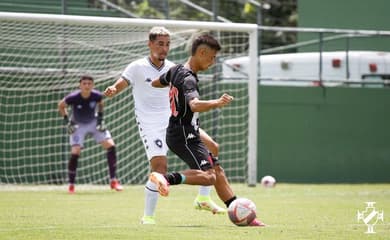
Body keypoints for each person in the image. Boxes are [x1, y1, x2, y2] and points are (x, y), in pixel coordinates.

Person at [103, 27, 226, 225]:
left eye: (167, 44)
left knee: (212, 146)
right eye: (160, 44)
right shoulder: (137, 67)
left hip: (176, 123)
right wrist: (113, 89)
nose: (164, 48)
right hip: (150, 124)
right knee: (160, 168)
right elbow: (122, 83)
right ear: (150, 44)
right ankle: (148, 217)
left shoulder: (174, 68)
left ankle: (203, 199)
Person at [150, 34, 265, 226]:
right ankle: (166, 178)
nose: (213, 62)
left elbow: (156, 82)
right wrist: (217, 102)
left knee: (215, 162)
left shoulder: (175, 69)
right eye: (212, 57)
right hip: (184, 133)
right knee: (209, 176)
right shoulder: (188, 79)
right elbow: (194, 105)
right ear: (201, 52)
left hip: (186, 129)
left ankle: (240, 212)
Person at [58, 75, 123, 194]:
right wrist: (68, 122)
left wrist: (100, 119)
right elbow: (61, 106)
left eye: (89, 83)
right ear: (80, 85)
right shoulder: (73, 97)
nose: (87, 86)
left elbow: (101, 104)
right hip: (78, 124)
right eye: (84, 83)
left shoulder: (97, 95)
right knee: (75, 151)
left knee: (111, 145)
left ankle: (113, 180)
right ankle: (71, 185)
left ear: (93, 85)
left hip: (93, 122)